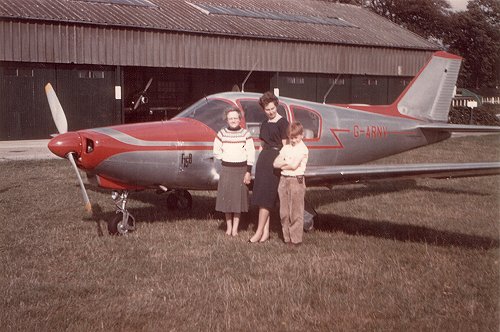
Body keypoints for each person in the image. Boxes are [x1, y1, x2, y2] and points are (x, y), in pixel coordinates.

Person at [249, 92, 289, 243]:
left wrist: (280, 162)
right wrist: (257, 162)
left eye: (272, 108)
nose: (270, 111)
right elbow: (262, 144)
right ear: (263, 109)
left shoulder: (283, 123)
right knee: (260, 197)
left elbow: (286, 147)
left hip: (275, 160)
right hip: (263, 161)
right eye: (267, 109)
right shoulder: (264, 123)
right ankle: (265, 233)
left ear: (276, 106)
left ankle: (258, 232)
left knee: (266, 198)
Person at [213, 108, 255, 236]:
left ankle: (235, 229)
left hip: (241, 170)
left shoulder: (245, 134)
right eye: (230, 118)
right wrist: (225, 158)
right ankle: (228, 227)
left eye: (235, 118)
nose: (233, 120)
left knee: (238, 200)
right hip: (226, 169)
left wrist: (248, 171)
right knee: (227, 201)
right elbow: (216, 151)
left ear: (240, 119)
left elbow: (251, 153)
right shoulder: (221, 134)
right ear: (227, 119)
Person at [273, 122, 309, 245]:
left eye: (295, 137)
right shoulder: (286, 147)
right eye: (291, 137)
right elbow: (275, 163)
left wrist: (284, 163)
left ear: (301, 135)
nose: (293, 140)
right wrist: (286, 164)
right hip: (283, 180)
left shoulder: (303, 149)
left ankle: (296, 239)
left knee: (296, 212)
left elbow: (294, 166)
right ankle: (287, 238)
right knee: (284, 212)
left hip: (296, 180)